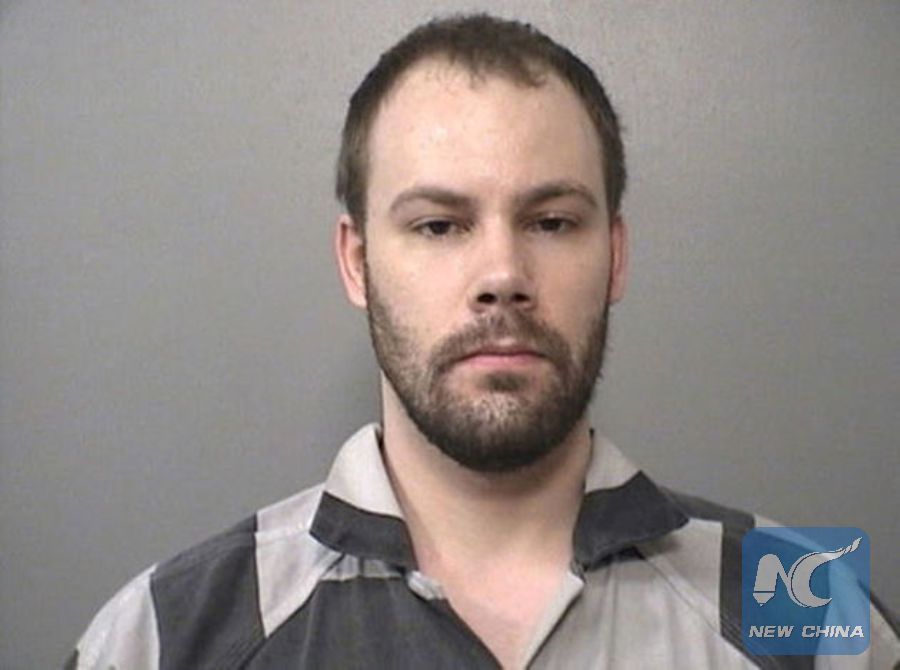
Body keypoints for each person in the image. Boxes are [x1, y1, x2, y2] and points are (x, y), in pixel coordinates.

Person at [67, 13, 899, 669]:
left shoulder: (813, 614)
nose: (502, 274)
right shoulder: (166, 638)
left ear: (615, 256)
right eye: (438, 225)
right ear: (357, 262)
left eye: (552, 221)